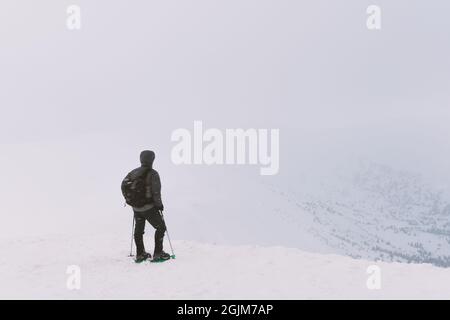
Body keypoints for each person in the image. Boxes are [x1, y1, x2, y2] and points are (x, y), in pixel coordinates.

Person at [125, 150, 170, 263]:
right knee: (161, 227)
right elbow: (156, 192)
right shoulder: (153, 174)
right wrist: (159, 206)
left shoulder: (132, 173)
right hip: (149, 207)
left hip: (136, 208)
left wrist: (130, 200)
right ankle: (158, 253)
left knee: (139, 229)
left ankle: (140, 254)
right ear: (152, 159)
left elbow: (124, 185)